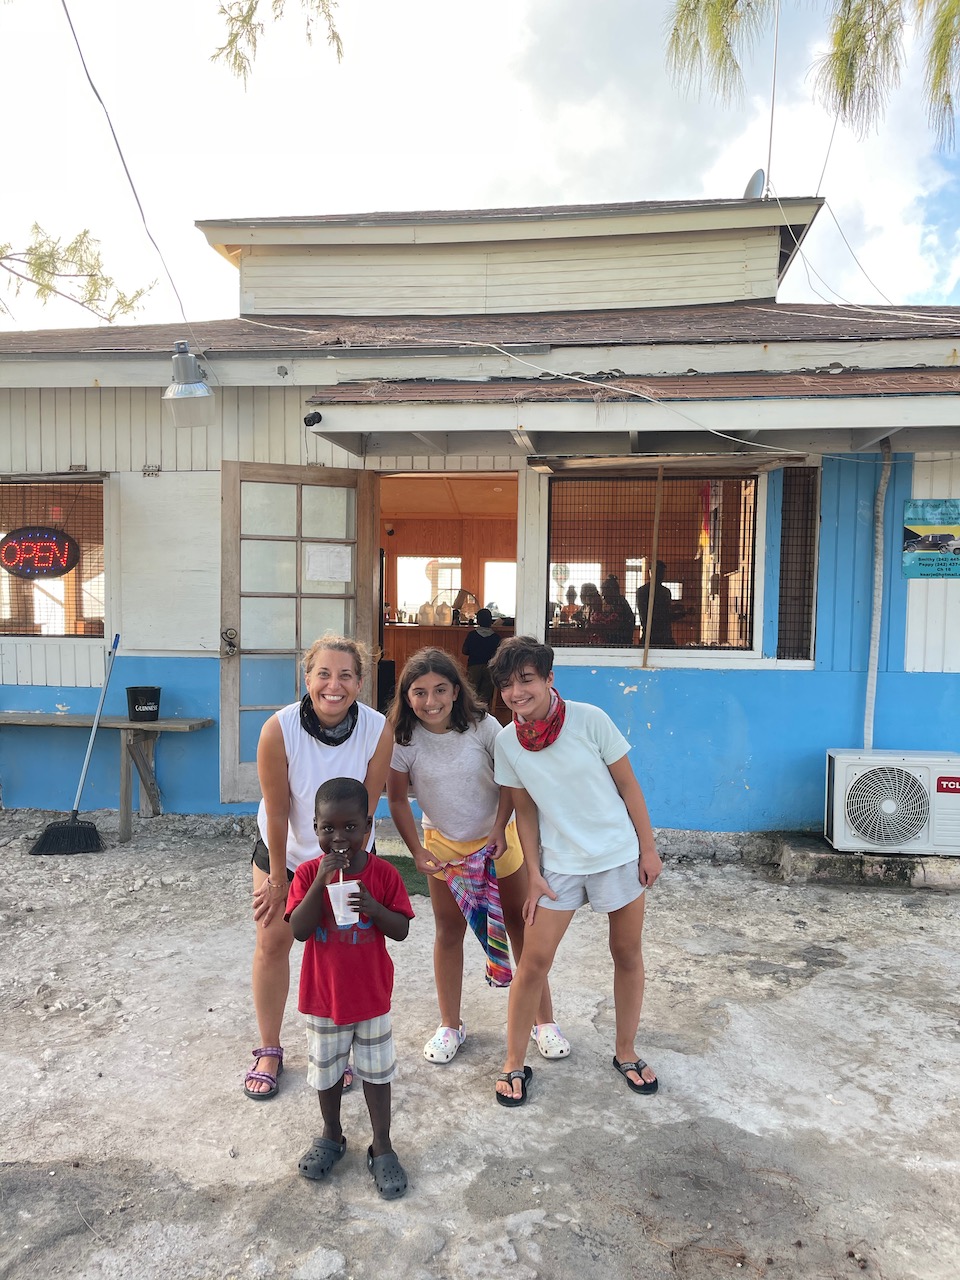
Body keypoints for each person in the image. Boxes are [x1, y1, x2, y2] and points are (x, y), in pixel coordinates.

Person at [488, 636, 662, 1106]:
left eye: (526, 680)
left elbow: (629, 787)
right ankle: (513, 1062)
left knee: (626, 953)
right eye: (507, 685)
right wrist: (534, 873)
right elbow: (524, 811)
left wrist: (647, 849)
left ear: (549, 678)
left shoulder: (590, 719)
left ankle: (626, 1051)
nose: (517, 693)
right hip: (559, 866)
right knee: (533, 963)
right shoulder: (507, 742)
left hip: (617, 856)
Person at [387, 647, 567, 1066]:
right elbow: (396, 800)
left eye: (440, 689)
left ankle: (543, 1020)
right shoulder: (403, 739)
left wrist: (498, 829)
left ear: (456, 691)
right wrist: (416, 850)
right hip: (443, 849)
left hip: (498, 841)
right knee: (449, 933)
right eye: (419, 692)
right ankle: (450, 1025)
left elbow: (509, 784)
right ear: (406, 696)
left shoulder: (483, 726)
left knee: (521, 929)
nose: (431, 701)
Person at [244, 634, 394, 1102]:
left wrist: (349, 872)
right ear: (307, 678)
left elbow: (368, 810)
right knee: (273, 942)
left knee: (338, 952)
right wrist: (278, 878)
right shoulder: (279, 729)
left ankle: (337, 1048)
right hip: (286, 853)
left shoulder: (377, 729)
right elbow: (277, 809)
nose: (334, 685)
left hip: (344, 856)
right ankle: (269, 1049)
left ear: (360, 683)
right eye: (323, 674)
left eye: (346, 675)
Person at [287, 777, 413, 1199]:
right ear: (315, 828)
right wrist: (320, 884)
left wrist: (374, 908)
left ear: (368, 826)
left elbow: (401, 930)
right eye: (328, 828)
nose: (339, 837)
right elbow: (299, 930)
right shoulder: (308, 873)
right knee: (326, 1073)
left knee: (377, 1074)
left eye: (350, 827)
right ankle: (331, 1134)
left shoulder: (384, 874)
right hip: (324, 998)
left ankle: (382, 1146)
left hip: (371, 997)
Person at [461, 607, 501, 705]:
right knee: (486, 694)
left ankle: (471, 709)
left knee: (471, 691)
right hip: (489, 667)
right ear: (491, 621)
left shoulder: (472, 635)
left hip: (474, 666)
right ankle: (484, 709)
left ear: (478, 621)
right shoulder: (496, 637)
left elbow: (464, 651)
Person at [636, 560, 675, 647]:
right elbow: (663, 616)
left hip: (658, 636)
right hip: (655, 636)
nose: (661, 575)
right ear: (650, 572)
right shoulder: (643, 592)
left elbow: (665, 614)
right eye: (659, 572)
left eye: (662, 573)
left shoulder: (665, 592)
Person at [600, 575, 637, 645]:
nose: (604, 597)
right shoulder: (613, 604)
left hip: (621, 642)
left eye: (605, 595)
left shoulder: (620, 604)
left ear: (613, 591)